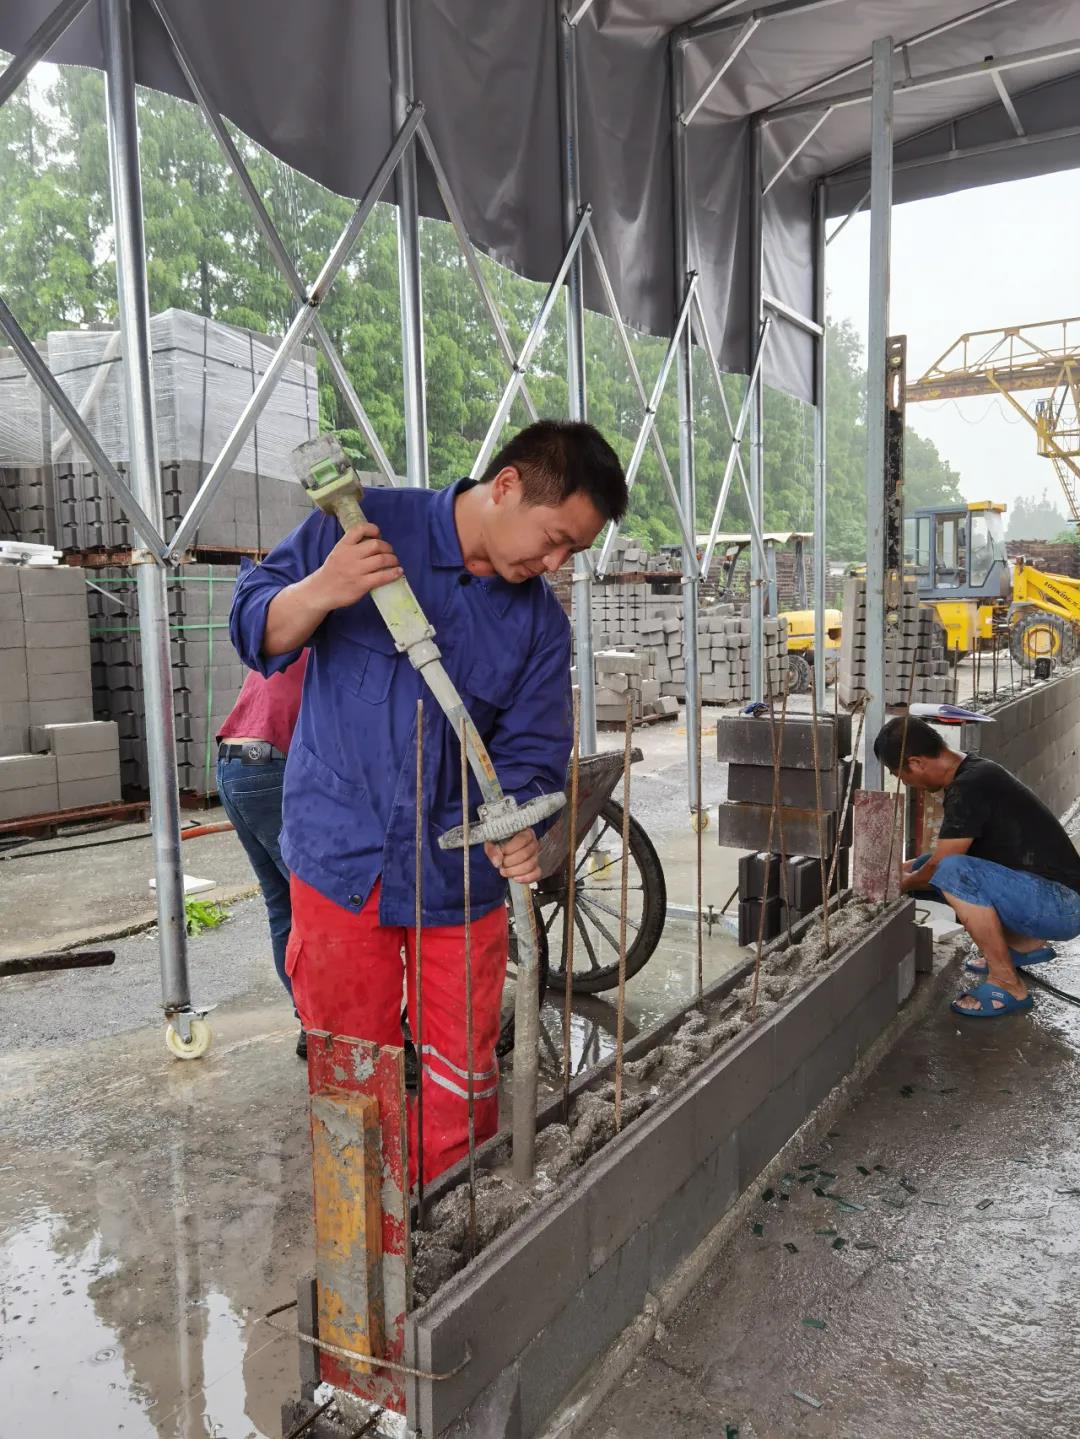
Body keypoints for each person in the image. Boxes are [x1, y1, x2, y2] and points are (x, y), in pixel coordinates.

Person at [230, 420, 628, 1180]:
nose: (554, 563)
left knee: (463, 1082)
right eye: (553, 539)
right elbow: (253, 626)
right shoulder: (364, 527)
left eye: (572, 552)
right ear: (506, 486)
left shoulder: (539, 625)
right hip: (342, 861)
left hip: (460, 877)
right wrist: (323, 588)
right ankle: (365, 1239)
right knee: (352, 1079)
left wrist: (524, 824)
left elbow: (535, 756)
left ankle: (450, 1226)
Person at [874, 715, 1080, 1019]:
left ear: (915, 763)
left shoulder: (968, 787)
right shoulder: (974, 771)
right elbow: (933, 862)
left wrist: (898, 883)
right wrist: (900, 870)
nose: (906, 783)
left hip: (1062, 907)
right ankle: (1023, 944)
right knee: (931, 866)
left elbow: (942, 867)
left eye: (900, 774)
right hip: (1055, 895)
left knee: (950, 872)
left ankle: (1007, 983)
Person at [216, 649, 309, 1057]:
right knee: (323, 906)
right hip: (270, 762)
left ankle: (311, 1023)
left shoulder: (292, 629)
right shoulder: (340, 638)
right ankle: (335, 1028)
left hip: (234, 761)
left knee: (283, 904)